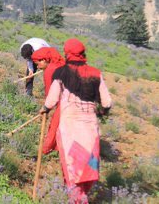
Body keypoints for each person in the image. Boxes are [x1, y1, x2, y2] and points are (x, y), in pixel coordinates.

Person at [39, 38, 112, 203]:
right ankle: (80, 196)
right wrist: (100, 112)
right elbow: (107, 103)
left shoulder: (61, 73)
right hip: (91, 131)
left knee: (72, 171)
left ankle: (78, 199)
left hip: (69, 130)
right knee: (89, 169)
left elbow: (51, 100)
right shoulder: (96, 73)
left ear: (67, 53)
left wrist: (45, 108)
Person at [31, 47, 65, 153]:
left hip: (68, 101)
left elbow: (51, 92)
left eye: (38, 63)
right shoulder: (61, 64)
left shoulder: (50, 70)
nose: (38, 66)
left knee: (56, 124)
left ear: (44, 60)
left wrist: (46, 108)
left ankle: (47, 149)